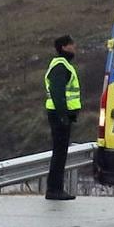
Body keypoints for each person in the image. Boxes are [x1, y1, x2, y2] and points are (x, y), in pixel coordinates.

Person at [44, 35, 81, 201]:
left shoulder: (63, 65)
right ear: (64, 47)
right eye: (72, 44)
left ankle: (56, 188)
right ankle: (54, 189)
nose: (75, 47)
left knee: (60, 152)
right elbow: (58, 93)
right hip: (59, 115)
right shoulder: (60, 66)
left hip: (61, 114)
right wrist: (63, 116)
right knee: (59, 153)